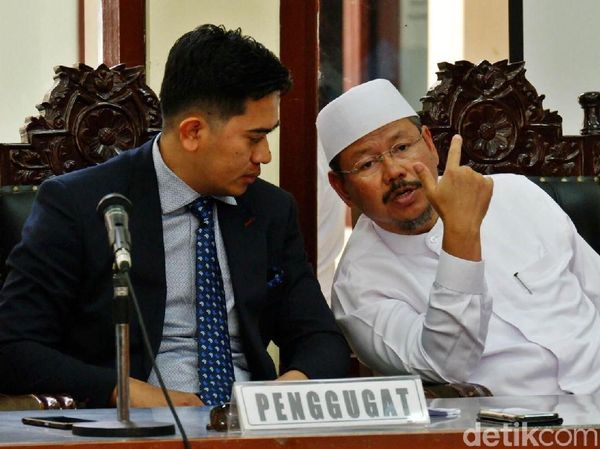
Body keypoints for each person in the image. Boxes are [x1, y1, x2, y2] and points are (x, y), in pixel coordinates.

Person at [0, 24, 350, 408]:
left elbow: (321, 339)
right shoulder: (80, 205)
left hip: (247, 422)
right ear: (192, 132)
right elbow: (13, 346)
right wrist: (124, 391)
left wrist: (284, 392)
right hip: (135, 423)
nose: (264, 156)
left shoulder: (270, 210)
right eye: (253, 138)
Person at [316, 78, 600, 396]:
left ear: (429, 144)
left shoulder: (515, 193)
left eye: (402, 148)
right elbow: (445, 365)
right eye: (367, 163)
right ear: (342, 189)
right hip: (511, 420)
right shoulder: (358, 288)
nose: (394, 171)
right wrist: (461, 237)